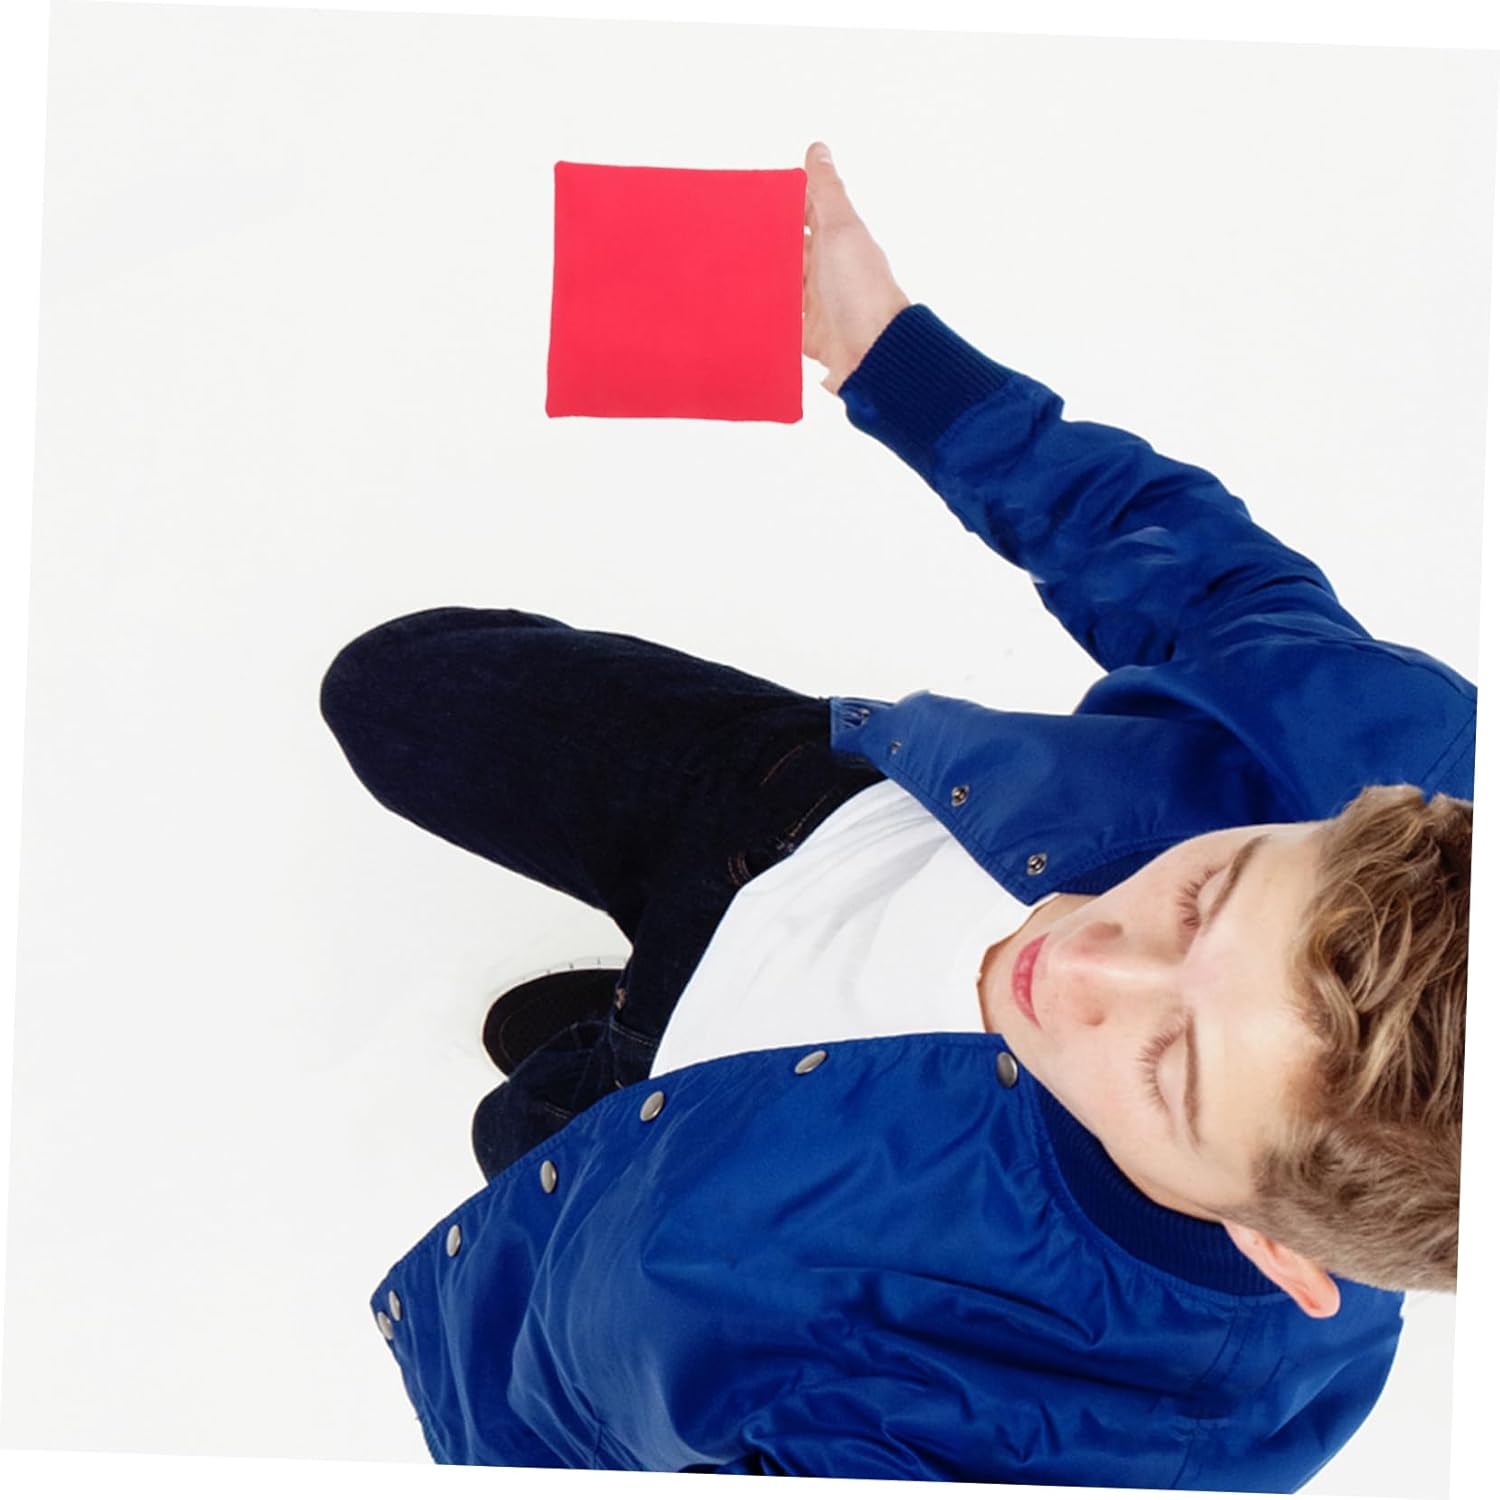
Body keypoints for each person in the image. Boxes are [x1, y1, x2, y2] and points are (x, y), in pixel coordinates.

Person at [317, 141, 1473, 1488]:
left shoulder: (1147, 1433)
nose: (1072, 961)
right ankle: (635, 1015)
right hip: (787, 825)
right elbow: (1192, 576)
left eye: (1172, 1070)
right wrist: (888, 353)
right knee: (395, 695)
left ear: (1280, 1251)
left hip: (676, 1171)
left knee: (524, 1137)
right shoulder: (1407, 756)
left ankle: (615, 1065)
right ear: (1349, 818)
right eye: (1201, 896)